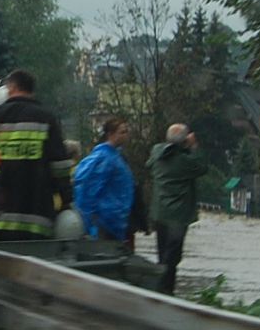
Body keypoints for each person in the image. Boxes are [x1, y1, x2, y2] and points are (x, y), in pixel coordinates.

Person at [0, 69, 74, 241]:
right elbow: (59, 167)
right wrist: (67, 200)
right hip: (37, 215)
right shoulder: (46, 118)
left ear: (12, 87)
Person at [149, 123, 207, 295]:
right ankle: (164, 290)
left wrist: (182, 145)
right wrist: (194, 147)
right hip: (178, 215)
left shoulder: (156, 153)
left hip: (159, 212)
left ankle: (162, 288)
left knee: (162, 253)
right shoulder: (184, 162)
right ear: (184, 141)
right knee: (173, 257)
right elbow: (202, 167)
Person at [74, 117, 135, 243]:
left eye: (126, 132)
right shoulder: (104, 158)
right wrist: (90, 220)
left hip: (116, 218)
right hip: (106, 219)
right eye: (122, 132)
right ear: (110, 134)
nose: (126, 135)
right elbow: (89, 189)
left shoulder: (115, 156)